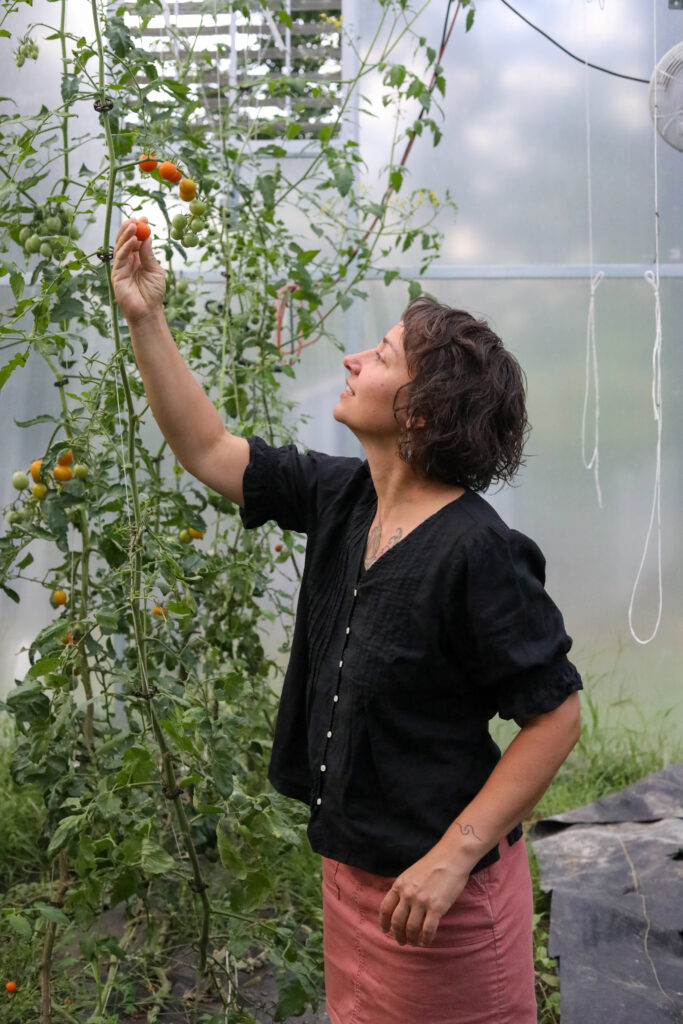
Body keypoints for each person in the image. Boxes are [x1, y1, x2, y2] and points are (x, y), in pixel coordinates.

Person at [112, 218, 583, 1024]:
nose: (351, 358)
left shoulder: (477, 553)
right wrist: (146, 319)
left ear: (421, 414)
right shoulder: (342, 498)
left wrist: (451, 858)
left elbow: (557, 716)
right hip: (356, 880)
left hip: (441, 897)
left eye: (382, 355)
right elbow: (206, 446)